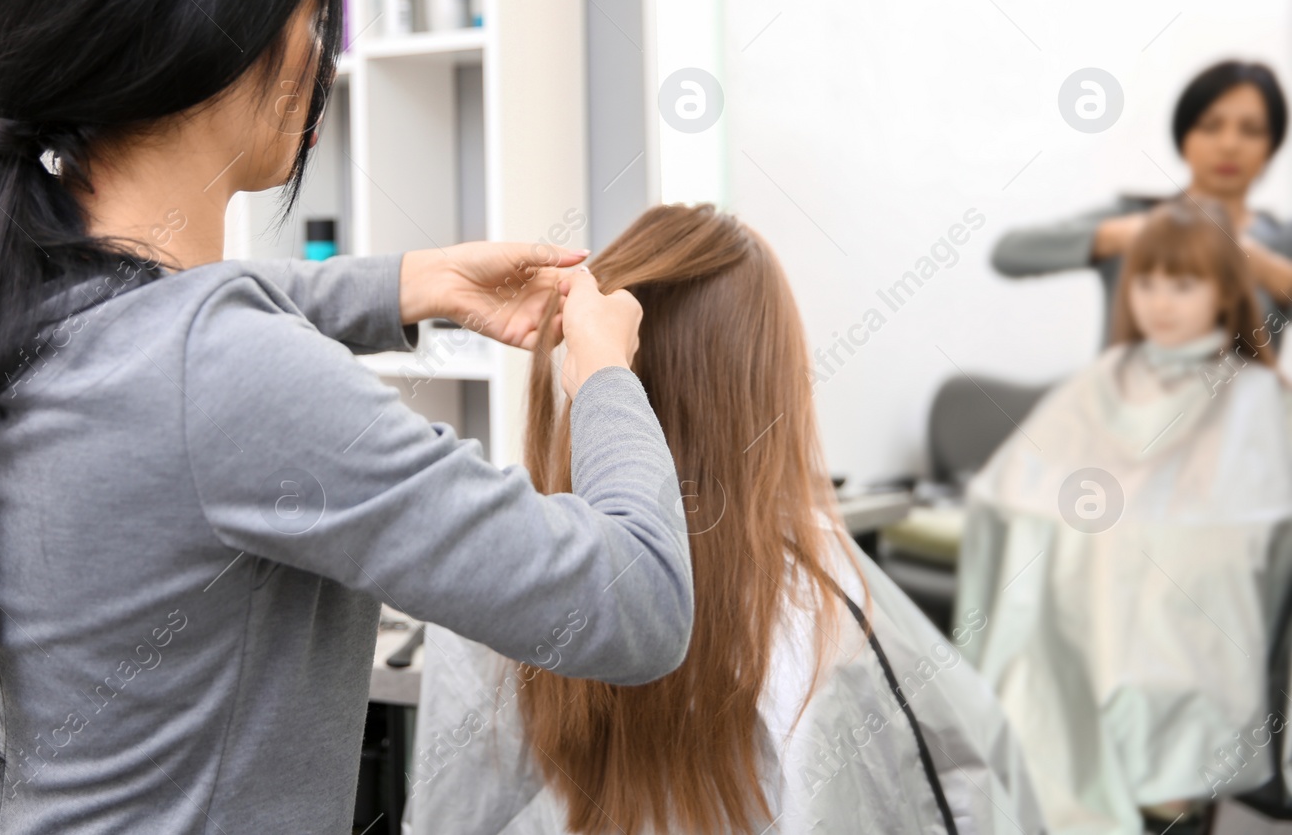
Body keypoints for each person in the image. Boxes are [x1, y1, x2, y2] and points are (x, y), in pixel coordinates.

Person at [0, 0, 695, 833]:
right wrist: (604, 375)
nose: (321, 52)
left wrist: (410, 283)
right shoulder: (222, 373)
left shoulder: (19, 297)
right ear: (224, 34)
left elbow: (188, 331)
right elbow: (637, 603)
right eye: (313, 15)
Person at [403, 204, 1044, 835]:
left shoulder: (510, 563)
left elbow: (450, 814)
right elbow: (966, 792)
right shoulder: (822, 616)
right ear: (765, 391)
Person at [958, 201, 1292, 835]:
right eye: (1147, 282)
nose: (1160, 301)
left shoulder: (1253, 396)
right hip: (1078, 626)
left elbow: (1253, 531)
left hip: (1185, 639)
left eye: (1184, 283)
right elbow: (1006, 490)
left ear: (1226, 291)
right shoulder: (1105, 377)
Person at [992, 61, 1292, 348]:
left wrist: (1264, 268)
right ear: (1183, 136)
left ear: (1272, 147)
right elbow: (1008, 253)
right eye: (1210, 126)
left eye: (1251, 130)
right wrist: (1118, 237)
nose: (1229, 145)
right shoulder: (1132, 217)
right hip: (1122, 400)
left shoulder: (1282, 240)